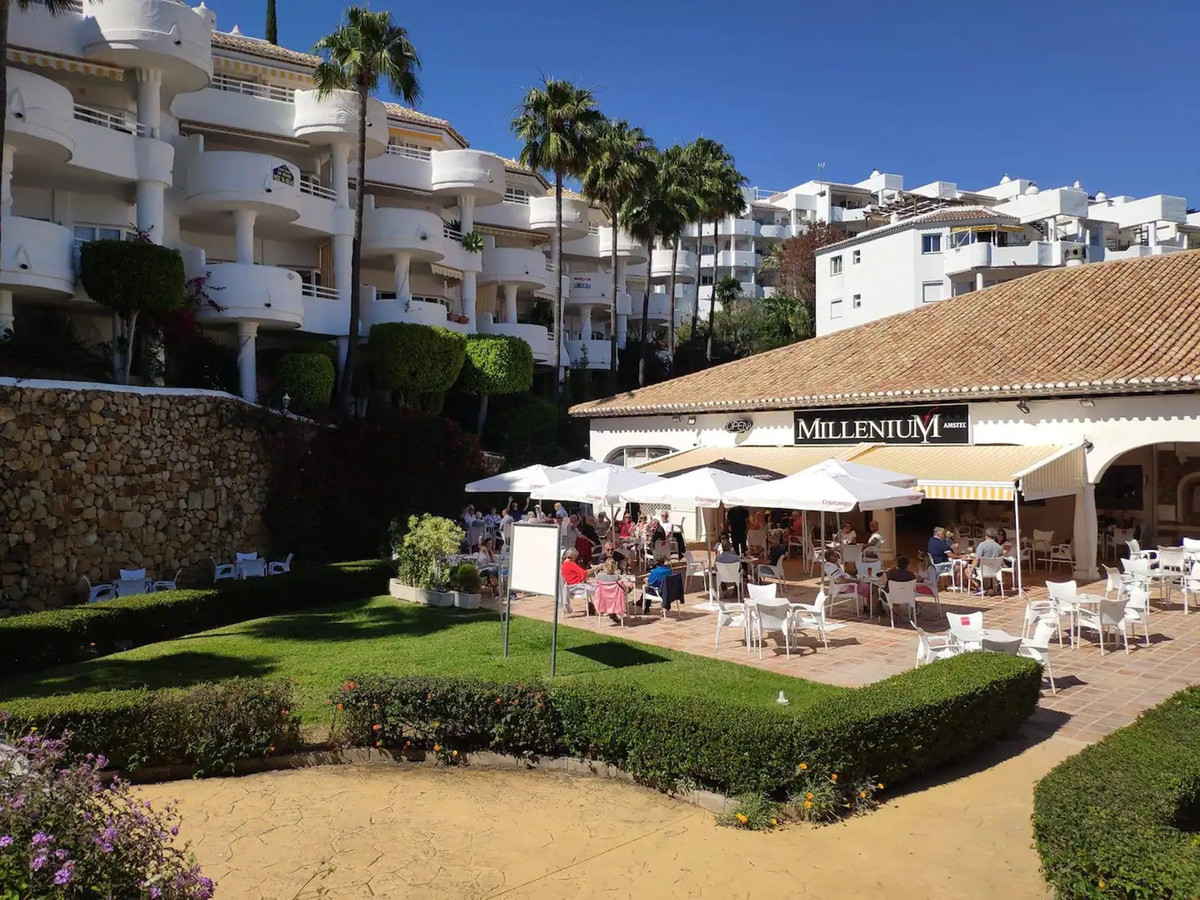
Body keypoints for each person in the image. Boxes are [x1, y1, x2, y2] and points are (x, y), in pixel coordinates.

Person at [594, 558, 634, 622]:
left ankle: (611, 613)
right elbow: (622, 586)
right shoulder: (616, 577)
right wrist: (629, 584)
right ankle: (613, 612)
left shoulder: (599, 576)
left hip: (603, 599)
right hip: (615, 599)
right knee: (627, 589)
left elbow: (597, 586)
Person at [560, 548, 594, 614]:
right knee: (598, 589)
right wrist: (597, 568)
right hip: (578, 588)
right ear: (573, 556)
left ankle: (591, 607)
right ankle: (600, 608)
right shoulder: (570, 564)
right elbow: (585, 573)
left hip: (570, 588)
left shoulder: (563, 565)